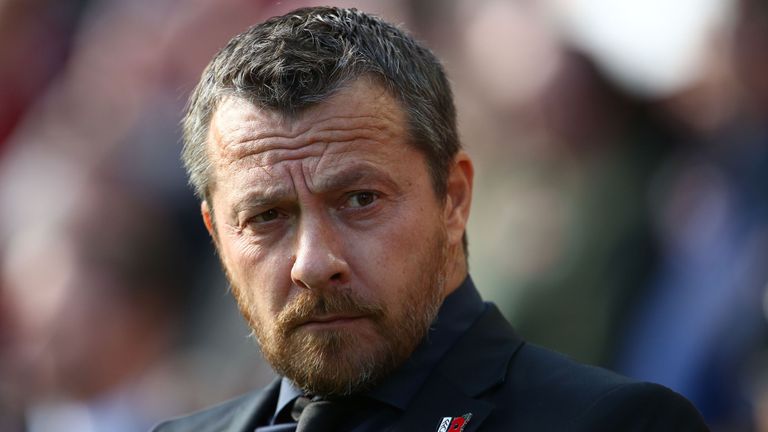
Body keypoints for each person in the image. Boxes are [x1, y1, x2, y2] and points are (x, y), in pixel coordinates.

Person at [154, 6, 709, 431]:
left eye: (360, 200)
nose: (314, 262)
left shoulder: (614, 424)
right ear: (216, 234)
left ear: (454, 199)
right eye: (267, 215)